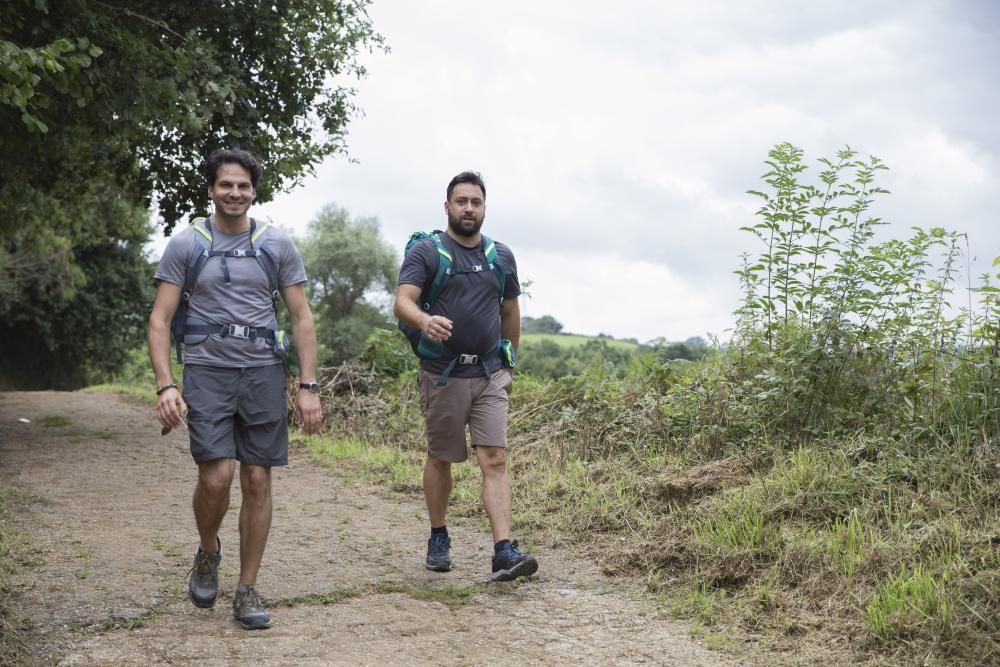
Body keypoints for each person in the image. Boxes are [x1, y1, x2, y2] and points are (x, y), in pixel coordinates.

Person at [147, 148, 323, 630]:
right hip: (207, 371)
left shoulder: (276, 244)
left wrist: (308, 385)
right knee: (216, 477)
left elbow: (301, 317)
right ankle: (208, 551)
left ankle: (247, 589)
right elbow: (160, 319)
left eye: (243, 186)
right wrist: (166, 385)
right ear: (210, 189)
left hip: (263, 372)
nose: (234, 193)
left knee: (259, 479)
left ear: (253, 191)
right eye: (226, 184)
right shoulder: (186, 245)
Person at [393, 170, 538, 581]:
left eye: (475, 202)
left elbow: (510, 312)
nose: (468, 209)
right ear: (447, 207)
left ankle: (503, 550)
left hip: (491, 373)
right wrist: (424, 321)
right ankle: (439, 533)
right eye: (461, 201)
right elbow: (403, 302)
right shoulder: (427, 251)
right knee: (442, 457)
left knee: (494, 457)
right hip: (443, 374)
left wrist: (509, 364)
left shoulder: (501, 255)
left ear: (484, 207)